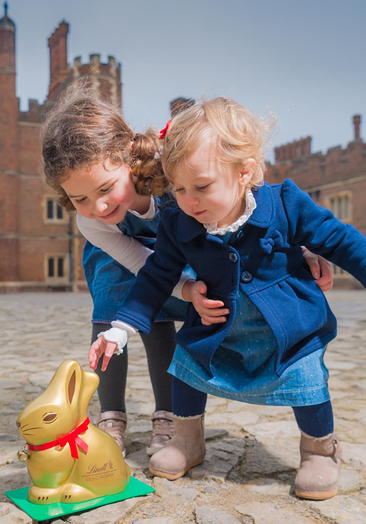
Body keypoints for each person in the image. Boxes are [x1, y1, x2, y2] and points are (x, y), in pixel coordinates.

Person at [89, 97, 366, 500]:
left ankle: (320, 450)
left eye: (202, 187)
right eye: (179, 189)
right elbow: (157, 276)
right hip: (217, 327)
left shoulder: (283, 202)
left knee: (308, 380)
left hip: (286, 326)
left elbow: (337, 236)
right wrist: (122, 328)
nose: (189, 201)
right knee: (186, 366)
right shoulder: (179, 221)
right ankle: (187, 439)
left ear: (244, 173)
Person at [42, 87, 334, 457]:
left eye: (105, 188)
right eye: (79, 199)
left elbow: (246, 205)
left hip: (177, 251)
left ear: (130, 158)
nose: (96, 206)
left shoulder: (177, 172)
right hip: (124, 258)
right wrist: (184, 289)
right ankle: (111, 415)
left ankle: (168, 417)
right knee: (113, 314)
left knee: (161, 320)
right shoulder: (94, 224)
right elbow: (143, 266)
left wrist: (300, 250)